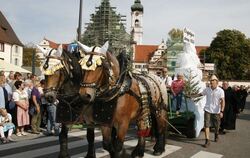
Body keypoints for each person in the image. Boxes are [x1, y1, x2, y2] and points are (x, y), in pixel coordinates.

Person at [193, 75, 225, 148]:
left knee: (217, 126)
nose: (212, 82)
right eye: (211, 81)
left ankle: (216, 134)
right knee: (206, 125)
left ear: (216, 82)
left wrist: (222, 111)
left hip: (216, 111)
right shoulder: (207, 89)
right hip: (207, 110)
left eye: (213, 81)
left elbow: (223, 101)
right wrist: (192, 96)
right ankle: (207, 140)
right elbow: (200, 94)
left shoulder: (221, 91)